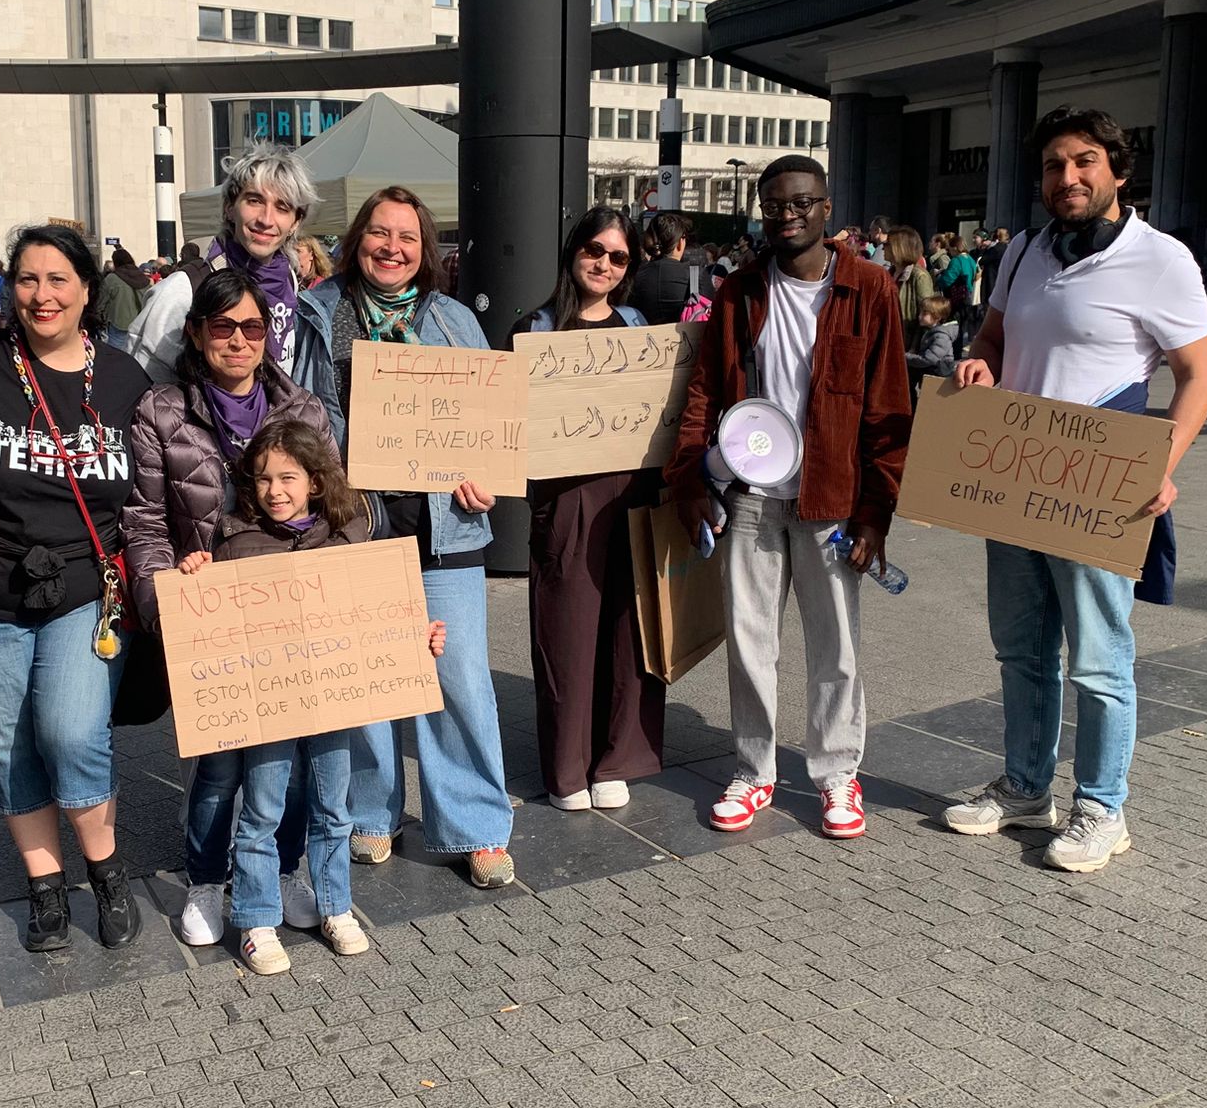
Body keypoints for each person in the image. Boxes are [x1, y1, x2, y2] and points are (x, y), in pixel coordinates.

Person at [939, 106, 1207, 873]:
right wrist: (980, 362)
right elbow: (994, 337)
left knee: (1098, 659)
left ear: (1117, 171)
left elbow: (1198, 375)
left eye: (1084, 161)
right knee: (1021, 650)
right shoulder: (1023, 252)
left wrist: (1163, 461)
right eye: (1054, 165)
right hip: (1013, 479)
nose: (1068, 177)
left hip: (1098, 487)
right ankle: (1027, 788)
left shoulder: (1161, 260)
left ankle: (1102, 806)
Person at [0, 224, 151, 952]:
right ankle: (45, 884)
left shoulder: (125, 380)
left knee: (71, 732)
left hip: (86, 590)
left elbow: (168, 469)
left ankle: (106, 870)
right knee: (8, 747)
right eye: (28, 280)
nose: (43, 295)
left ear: (87, 291)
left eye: (58, 280)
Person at [664, 155, 912, 839]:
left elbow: (889, 404)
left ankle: (836, 775)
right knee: (750, 643)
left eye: (801, 202)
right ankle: (754, 771)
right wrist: (690, 479)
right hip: (750, 496)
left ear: (826, 208)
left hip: (832, 499)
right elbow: (706, 390)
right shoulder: (741, 290)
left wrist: (876, 512)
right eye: (774, 205)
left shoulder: (869, 287)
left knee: (836, 646)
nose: (787, 215)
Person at [291, 186, 518, 889]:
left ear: (425, 249)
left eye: (407, 237)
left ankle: (476, 823)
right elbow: (299, 415)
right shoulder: (318, 313)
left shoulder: (453, 319)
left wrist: (485, 478)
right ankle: (370, 812)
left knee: (459, 680)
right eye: (379, 233)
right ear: (357, 238)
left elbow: (488, 422)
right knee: (370, 675)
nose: (392, 248)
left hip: (446, 526)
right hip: (355, 524)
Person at [175, 420, 445, 974]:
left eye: (287, 478)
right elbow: (208, 620)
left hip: (332, 704)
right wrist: (195, 575)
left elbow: (379, 610)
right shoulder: (235, 544)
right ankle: (256, 920)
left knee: (334, 809)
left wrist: (416, 637)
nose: (274, 490)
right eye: (262, 479)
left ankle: (335, 907)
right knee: (261, 813)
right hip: (268, 709)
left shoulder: (348, 537)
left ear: (315, 482)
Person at [122, 269, 336, 947]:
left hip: (290, 614)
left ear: (269, 333)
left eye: (252, 327)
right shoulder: (161, 411)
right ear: (196, 333)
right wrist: (165, 600)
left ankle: (284, 869)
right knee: (217, 766)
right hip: (207, 617)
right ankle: (207, 879)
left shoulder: (303, 409)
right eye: (223, 326)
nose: (238, 341)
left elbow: (338, 506)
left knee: (290, 763)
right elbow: (145, 523)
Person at [510, 208, 666, 811]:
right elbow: (506, 422)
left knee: (628, 634)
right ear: (573, 250)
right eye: (594, 250)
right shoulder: (535, 329)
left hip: (631, 497)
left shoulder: (638, 328)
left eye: (618, 256)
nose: (604, 264)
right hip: (565, 501)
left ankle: (614, 759)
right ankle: (567, 769)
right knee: (567, 635)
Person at [128, 143, 319, 384]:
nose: (266, 219)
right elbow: (142, 387)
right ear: (229, 207)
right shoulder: (184, 290)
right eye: (254, 200)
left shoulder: (287, 280)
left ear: (295, 222)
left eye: (282, 207)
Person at [631, 212, 696, 326]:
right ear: (680, 243)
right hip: (685, 336)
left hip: (642, 336)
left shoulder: (635, 276)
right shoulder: (695, 276)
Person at [888, 226, 935, 366]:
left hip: (907, 346)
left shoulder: (919, 276)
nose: (883, 248)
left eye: (887, 244)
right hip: (889, 340)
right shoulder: (888, 273)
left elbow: (927, 317)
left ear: (900, 247)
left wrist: (914, 348)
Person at [905, 293, 957, 404]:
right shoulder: (928, 331)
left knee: (931, 401)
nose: (920, 316)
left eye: (924, 313)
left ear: (937, 317)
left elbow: (929, 359)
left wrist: (906, 357)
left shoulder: (941, 336)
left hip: (938, 374)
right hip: (931, 373)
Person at [102, 248, 146, 332]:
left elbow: (101, 300)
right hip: (140, 324)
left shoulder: (112, 278)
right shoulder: (143, 278)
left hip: (118, 323)